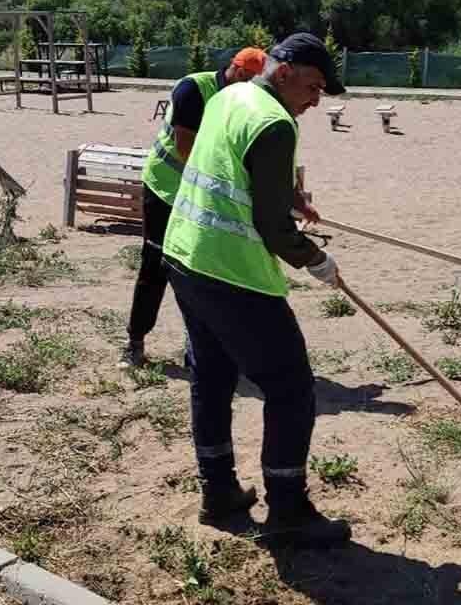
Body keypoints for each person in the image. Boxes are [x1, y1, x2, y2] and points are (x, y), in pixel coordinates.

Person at [161, 32, 349, 547]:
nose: (315, 100)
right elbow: (270, 227)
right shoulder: (275, 123)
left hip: (184, 254)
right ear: (283, 71)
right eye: (312, 87)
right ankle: (288, 510)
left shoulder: (229, 95)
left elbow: (228, 162)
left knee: (212, 376)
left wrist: (288, 195)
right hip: (233, 274)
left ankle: (218, 491)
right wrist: (317, 261)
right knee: (290, 388)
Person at [120, 47, 269, 367]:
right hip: (165, 188)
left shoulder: (244, 103)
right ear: (236, 69)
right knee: (155, 266)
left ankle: (197, 345)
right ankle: (135, 341)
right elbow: (187, 150)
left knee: (204, 269)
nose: (249, 89)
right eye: (246, 79)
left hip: (204, 192)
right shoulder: (193, 89)